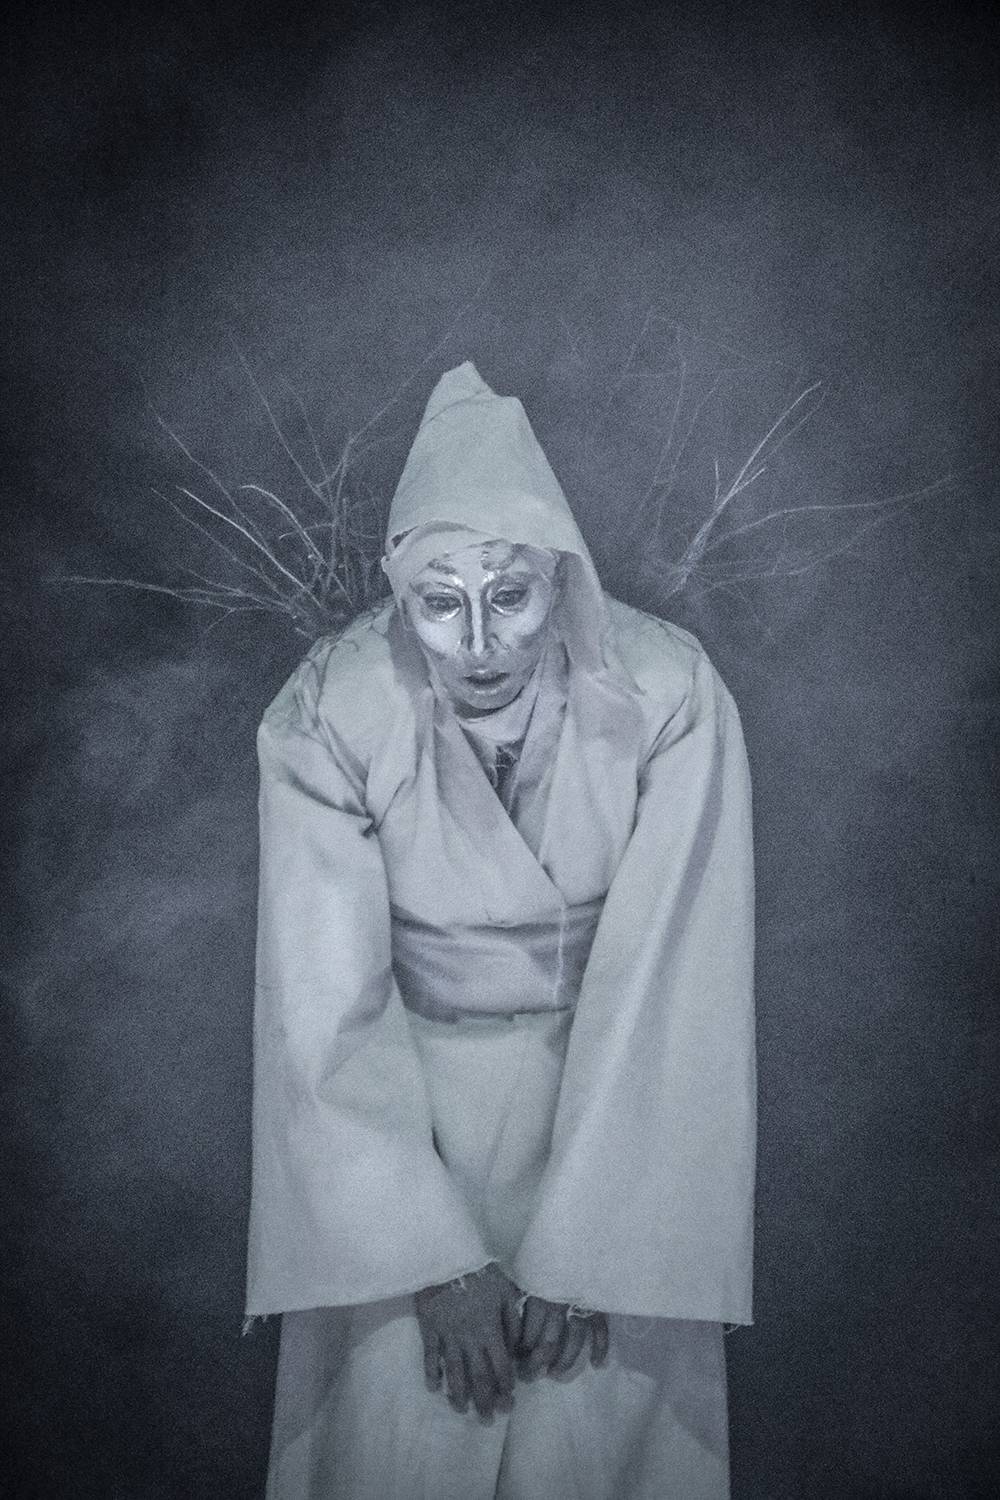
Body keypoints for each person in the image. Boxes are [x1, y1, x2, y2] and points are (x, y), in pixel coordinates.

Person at [245, 361, 756, 1499]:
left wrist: (594, 1249)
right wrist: (428, 1260)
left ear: (560, 575)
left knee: (597, 1443)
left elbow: (678, 976)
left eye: (510, 595)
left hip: (609, 1119)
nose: (478, 641)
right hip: (402, 1129)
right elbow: (321, 999)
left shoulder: (669, 694)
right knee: (396, 1445)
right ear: (401, 592)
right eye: (440, 602)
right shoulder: (331, 707)